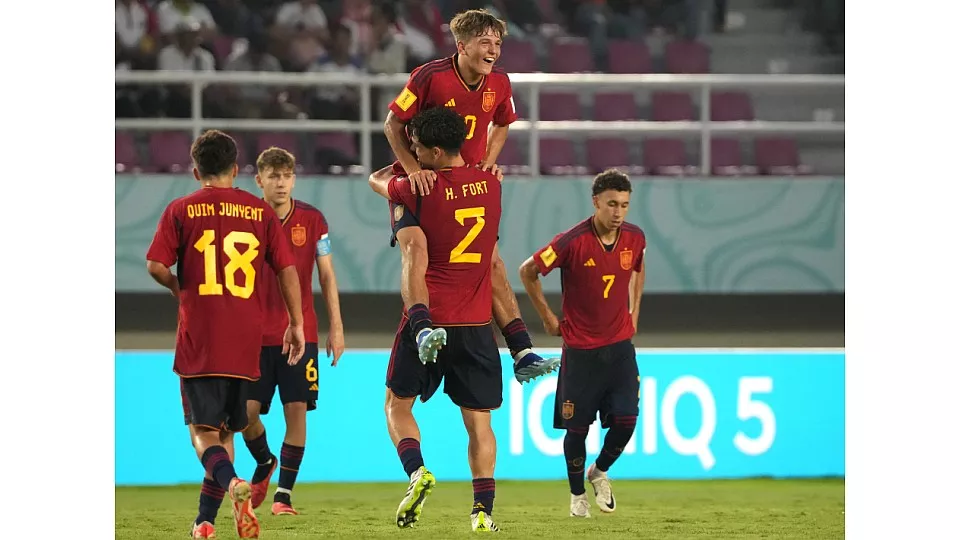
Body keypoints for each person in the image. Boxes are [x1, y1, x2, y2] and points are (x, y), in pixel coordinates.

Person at [145, 130, 307, 539]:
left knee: (201, 433)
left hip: (201, 335)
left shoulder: (181, 209)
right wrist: (296, 322)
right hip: (246, 338)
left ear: (196, 170)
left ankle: (234, 481)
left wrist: (178, 289)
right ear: (237, 169)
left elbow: (155, 265)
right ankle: (205, 523)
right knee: (226, 430)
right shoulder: (261, 213)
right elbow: (287, 268)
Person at [383, 8, 559, 383]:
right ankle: (423, 328)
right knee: (417, 252)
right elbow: (393, 124)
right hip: (424, 180)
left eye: (497, 43)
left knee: (492, 263)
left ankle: (522, 350)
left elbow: (503, 124)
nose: (493, 49)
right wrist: (414, 171)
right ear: (461, 45)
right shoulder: (429, 76)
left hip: (465, 183)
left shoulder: (501, 83)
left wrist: (486, 164)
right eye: (485, 42)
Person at [369, 107, 503, 532]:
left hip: (428, 318)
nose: (414, 153)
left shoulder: (416, 190)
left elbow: (375, 180)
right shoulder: (494, 185)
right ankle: (482, 514)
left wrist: (405, 171)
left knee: (397, 404)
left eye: (419, 149)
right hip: (478, 322)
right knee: (479, 423)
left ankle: (416, 472)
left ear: (437, 151)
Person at [517, 169, 647, 519]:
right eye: (611, 204)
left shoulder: (635, 237)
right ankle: (577, 496)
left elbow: (638, 267)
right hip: (581, 351)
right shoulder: (572, 241)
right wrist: (546, 316)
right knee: (577, 430)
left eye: (624, 205)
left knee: (627, 420)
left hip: (620, 347)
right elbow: (527, 270)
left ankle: (599, 472)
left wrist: (634, 312)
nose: (619, 213)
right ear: (595, 202)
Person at [242, 146, 346, 517]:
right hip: (254, 335)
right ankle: (265, 460)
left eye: (286, 175)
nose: (281, 182)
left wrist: (336, 326)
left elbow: (327, 275)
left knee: (296, 412)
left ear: (294, 179)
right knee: (244, 415)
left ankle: (283, 496)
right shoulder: (247, 219)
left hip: (303, 334)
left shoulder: (314, 220)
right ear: (259, 181)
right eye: (273, 176)